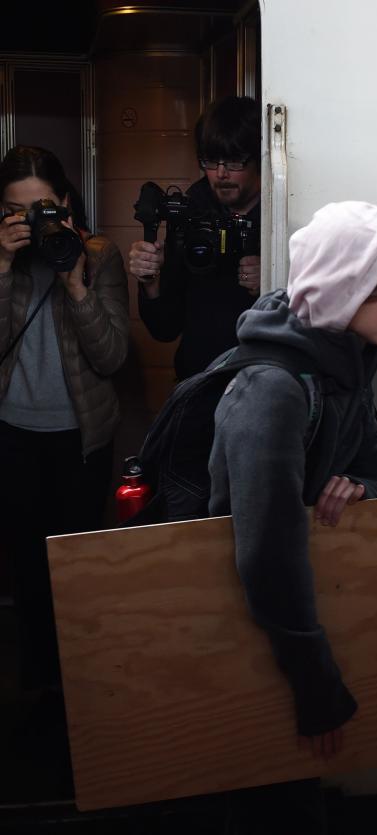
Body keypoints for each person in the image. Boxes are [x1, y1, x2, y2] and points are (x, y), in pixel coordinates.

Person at [207, 201, 377, 834]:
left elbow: (376, 466)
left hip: (288, 625)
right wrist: (317, 684)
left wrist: (361, 485)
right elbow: (265, 556)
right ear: (345, 289)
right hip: (247, 628)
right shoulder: (274, 390)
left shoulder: (342, 360)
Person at [0, 146, 129, 712]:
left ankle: (85, 685)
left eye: (42, 208)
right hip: (12, 434)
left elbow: (112, 357)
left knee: (78, 565)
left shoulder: (99, 256)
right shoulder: (1, 259)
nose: (30, 222)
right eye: (16, 210)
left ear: (66, 204)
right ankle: (38, 684)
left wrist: (75, 283)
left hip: (81, 438)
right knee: (27, 565)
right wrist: (2, 269)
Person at [128, 95, 262, 381]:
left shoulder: (284, 214)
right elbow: (165, 328)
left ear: (259, 159)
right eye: (211, 161)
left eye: (234, 160)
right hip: (199, 383)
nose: (221, 173)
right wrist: (151, 281)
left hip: (263, 383)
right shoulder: (191, 212)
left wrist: (275, 280)